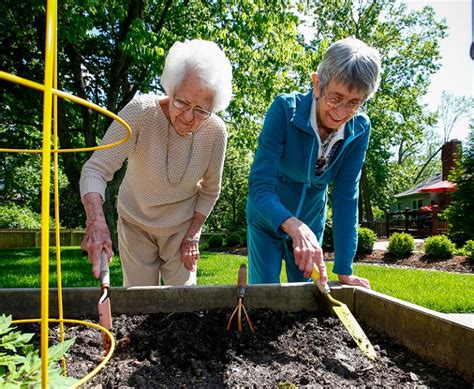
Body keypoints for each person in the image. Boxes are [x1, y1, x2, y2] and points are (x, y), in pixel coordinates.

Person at [80, 39, 233, 287]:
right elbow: (95, 169)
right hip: (135, 222)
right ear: (171, 89)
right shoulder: (141, 112)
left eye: (201, 110)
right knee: (140, 300)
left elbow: (210, 190)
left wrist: (193, 235)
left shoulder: (215, 132)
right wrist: (96, 222)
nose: (188, 117)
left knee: (183, 305)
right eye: (182, 102)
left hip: (182, 227)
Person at [246, 37, 381, 288]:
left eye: (353, 103)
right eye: (335, 98)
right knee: (264, 294)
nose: (340, 113)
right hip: (267, 217)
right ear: (317, 84)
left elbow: (345, 197)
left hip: (310, 220)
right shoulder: (285, 110)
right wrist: (293, 226)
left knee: (307, 295)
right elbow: (259, 186)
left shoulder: (360, 129)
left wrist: (344, 269)